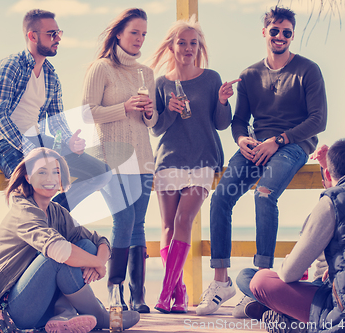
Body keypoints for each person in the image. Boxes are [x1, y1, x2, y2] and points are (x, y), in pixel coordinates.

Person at [197, 5, 327, 316]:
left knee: (264, 194)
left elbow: (318, 120)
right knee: (220, 197)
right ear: (264, 32)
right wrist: (242, 139)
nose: (280, 36)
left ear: (292, 35)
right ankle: (221, 281)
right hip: (255, 146)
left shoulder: (309, 70)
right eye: (275, 31)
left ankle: (259, 285)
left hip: (292, 144)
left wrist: (279, 140)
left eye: (287, 32)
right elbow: (240, 120)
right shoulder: (250, 75)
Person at [0, 148, 140, 332]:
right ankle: (100, 317)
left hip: (40, 304)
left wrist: (97, 260)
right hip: (9, 310)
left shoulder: (57, 212)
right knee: (55, 258)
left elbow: (100, 241)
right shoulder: (23, 210)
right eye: (42, 172)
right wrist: (98, 263)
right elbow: (58, 249)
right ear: (28, 177)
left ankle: (62, 315)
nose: (50, 179)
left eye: (55, 172)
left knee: (85, 245)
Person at [0, 9, 111, 212]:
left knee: (100, 172)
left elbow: (56, 120)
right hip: (4, 141)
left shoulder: (50, 75)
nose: (57, 38)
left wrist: (69, 141)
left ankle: (51, 213)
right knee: (31, 193)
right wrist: (30, 150)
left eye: (59, 33)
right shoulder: (10, 66)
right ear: (32, 36)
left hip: (36, 140)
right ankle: (42, 215)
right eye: (51, 34)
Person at [148, 16, 238, 314]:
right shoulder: (161, 84)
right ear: (172, 47)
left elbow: (221, 124)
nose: (188, 48)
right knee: (166, 226)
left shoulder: (211, 79)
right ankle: (179, 292)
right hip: (168, 160)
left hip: (202, 160)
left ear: (199, 47)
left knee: (183, 222)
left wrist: (223, 101)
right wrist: (170, 112)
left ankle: (165, 292)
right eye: (182, 43)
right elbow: (156, 128)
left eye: (193, 43)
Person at [81, 8, 158, 313]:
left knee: (138, 224)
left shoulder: (147, 73)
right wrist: (124, 107)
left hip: (144, 160)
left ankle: (138, 296)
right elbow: (87, 113)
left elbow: (150, 124)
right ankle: (115, 290)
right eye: (134, 32)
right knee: (123, 221)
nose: (139, 39)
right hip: (113, 159)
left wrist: (150, 112)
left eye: (143, 34)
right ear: (118, 34)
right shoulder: (101, 68)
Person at [246, 138, 345, 333]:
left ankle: (295, 324)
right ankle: (289, 318)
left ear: (329, 175)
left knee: (257, 280)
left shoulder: (331, 202)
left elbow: (290, 273)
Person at [234, 144, 331, 320]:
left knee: (251, 278)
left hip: (322, 295)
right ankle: (278, 309)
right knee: (249, 276)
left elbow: (290, 273)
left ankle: (278, 311)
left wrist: (291, 266)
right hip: (327, 290)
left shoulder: (325, 209)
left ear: (326, 180)